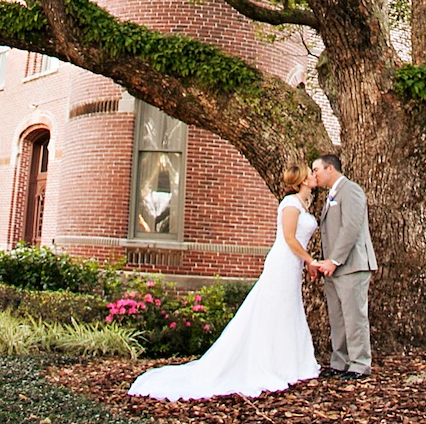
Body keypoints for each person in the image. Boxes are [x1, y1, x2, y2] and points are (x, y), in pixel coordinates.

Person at [128, 164, 321, 400]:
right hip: (283, 262)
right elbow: (290, 238)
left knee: (287, 309)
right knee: (274, 308)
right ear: (302, 180)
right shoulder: (290, 204)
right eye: (311, 173)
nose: (314, 175)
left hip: (293, 265)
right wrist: (310, 261)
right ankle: (270, 363)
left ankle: (289, 361)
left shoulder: (304, 204)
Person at [312, 153, 376, 380]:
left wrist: (334, 260)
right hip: (332, 269)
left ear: (330, 169)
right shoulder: (331, 195)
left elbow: (351, 227)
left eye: (316, 170)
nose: (314, 175)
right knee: (338, 318)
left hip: (352, 266)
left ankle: (360, 365)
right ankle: (340, 363)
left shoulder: (351, 190)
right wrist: (321, 262)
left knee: (354, 317)